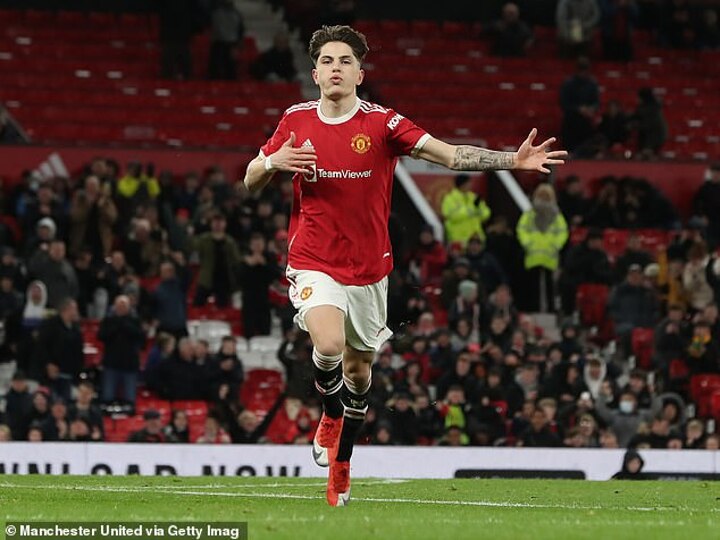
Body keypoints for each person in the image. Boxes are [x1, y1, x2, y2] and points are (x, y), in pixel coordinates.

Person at [242, 24, 566, 506]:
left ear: (360, 73)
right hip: (313, 260)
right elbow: (250, 179)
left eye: (345, 61)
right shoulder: (295, 120)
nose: (336, 68)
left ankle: (343, 459)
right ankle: (331, 417)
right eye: (327, 61)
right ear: (315, 74)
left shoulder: (382, 124)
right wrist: (272, 163)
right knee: (327, 345)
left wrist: (509, 161)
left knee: (359, 375)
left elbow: (450, 156)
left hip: (369, 271)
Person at [516, 184, 569, 313]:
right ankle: (533, 309)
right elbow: (521, 229)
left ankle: (550, 310)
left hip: (549, 255)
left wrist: (556, 245)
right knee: (532, 285)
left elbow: (563, 232)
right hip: (533, 255)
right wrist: (528, 243)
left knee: (550, 286)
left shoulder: (556, 215)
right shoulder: (529, 214)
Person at [98, 295, 145, 410]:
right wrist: (116, 326)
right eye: (119, 305)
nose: (121, 308)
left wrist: (124, 324)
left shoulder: (135, 320)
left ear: (129, 307)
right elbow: (101, 336)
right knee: (108, 397)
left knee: (130, 399)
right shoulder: (108, 320)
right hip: (111, 364)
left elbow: (141, 337)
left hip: (130, 364)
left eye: (124, 306)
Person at [559, 57, 600, 155]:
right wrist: (578, 109)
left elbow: (596, 102)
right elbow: (564, 103)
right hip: (571, 122)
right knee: (570, 150)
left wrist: (591, 109)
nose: (583, 74)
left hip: (586, 122)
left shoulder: (592, 84)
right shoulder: (568, 84)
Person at [441, 174, 492, 247]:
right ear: (462, 184)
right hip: (458, 240)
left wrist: (479, 213)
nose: (470, 185)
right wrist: (469, 212)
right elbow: (450, 216)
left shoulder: (474, 197)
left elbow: (486, 212)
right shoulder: (450, 199)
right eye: (468, 183)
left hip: (476, 239)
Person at [208, 0, 245, 81]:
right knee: (219, 71)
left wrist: (237, 46)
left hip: (227, 44)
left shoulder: (236, 14)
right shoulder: (216, 12)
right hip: (221, 43)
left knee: (228, 71)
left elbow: (240, 31)